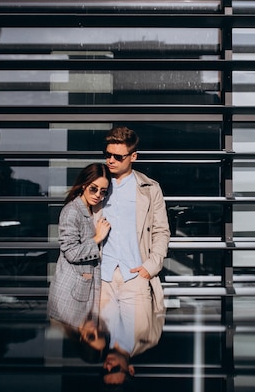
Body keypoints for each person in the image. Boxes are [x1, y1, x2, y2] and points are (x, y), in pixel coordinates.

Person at [96, 126, 170, 384]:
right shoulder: (96, 184)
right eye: (108, 155)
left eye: (118, 157)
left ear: (134, 156)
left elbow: (161, 231)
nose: (111, 161)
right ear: (129, 370)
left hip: (134, 277)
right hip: (102, 276)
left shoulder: (150, 188)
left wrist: (151, 266)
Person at [47, 162, 112, 362]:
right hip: (72, 295)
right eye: (94, 188)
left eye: (103, 191)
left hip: (82, 295)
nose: (98, 195)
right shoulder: (72, 211)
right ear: (83, 185)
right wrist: (97, 238)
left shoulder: (91, 209)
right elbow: (72, 252)